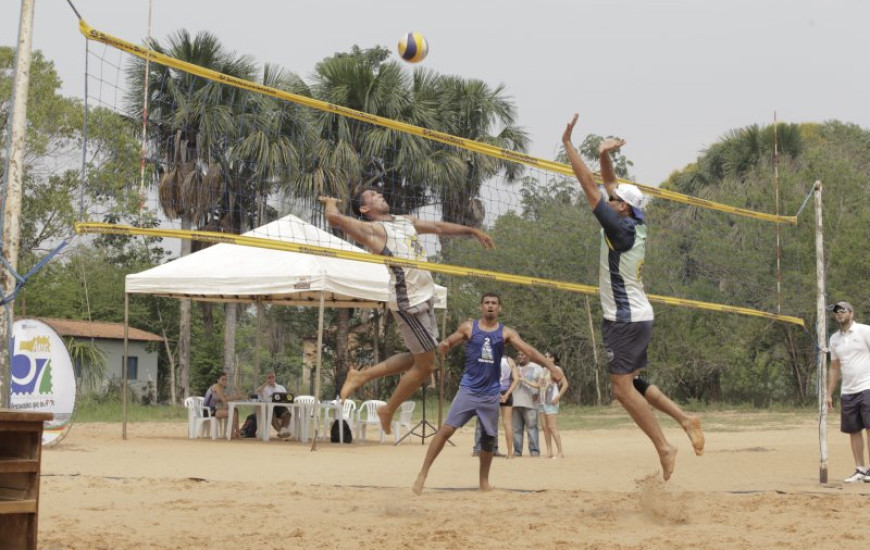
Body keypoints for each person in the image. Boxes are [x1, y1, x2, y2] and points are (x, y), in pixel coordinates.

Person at [562, 113, 704, 480]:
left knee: (622, 391)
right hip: (635, 316)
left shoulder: (620, 228)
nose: (609, 199)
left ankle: (664, 447)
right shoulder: (633, 219)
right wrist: (604, 152)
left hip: (625, 320)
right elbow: (608, 183)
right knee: (635, 383)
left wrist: (569, 146)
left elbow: (589, 185)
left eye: (614, 199)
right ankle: (685, 418)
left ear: (621, 206)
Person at [319, 189, 494, 434]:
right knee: (425, 367)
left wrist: (471, 230)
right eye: (372, 195)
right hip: (409, 301)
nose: (379, 194)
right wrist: (330, 203)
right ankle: (387, 409)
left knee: (420, 358)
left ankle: (361, 377)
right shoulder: (374, 231)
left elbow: (439, 228)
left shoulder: (405, 221)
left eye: (379, 192)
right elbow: (335, 220)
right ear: (364, 209)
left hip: (426, 296)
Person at [412, 293, 562, 495]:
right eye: (487, 303)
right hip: (468, 390)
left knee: (489, 439)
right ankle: (423, 474)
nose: (490, 306)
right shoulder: (469, 327)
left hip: (491, 394)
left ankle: (484, 482)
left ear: (499, 308)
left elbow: (529, 350)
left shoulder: (506, 333)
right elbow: (449, 341)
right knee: (446, 430)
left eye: (494, 303)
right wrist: (444, 346)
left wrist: (550, 366)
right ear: (481, 306)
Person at [824, 301, 870, 483]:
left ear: (851, 313)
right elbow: (834, 367)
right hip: (848, 391)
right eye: (837, 312)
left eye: (843, 311)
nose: (839, 314)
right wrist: (829, 393)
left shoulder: (864, 331)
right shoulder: (834, 339)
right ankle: (859, 468)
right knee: (854, 430)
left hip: (867, 386)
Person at [471, 355, 519, 458]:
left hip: (492, 392)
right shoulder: (510, 360)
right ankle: (510, 453)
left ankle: (482, 449)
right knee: (507, 423)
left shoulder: (489, 359)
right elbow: (516, 379)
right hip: (506, 392)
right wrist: (507, 394)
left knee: (486, 421)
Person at [512, 351, 542, 457]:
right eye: (519, 354)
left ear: (529, 355)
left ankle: (534, 450)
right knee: (516, 429)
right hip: (515, 402)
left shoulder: (537, 368)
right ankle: (517, 451)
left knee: (532, 427)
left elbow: (541, 384)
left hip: (530, 402)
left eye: (523, 354)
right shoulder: (514, 368)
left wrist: (538, 394)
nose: (520, 356)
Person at [539, 352, 569, 459]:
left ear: (552, 359)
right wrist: (523, 379)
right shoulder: (543, 370)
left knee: (552, 427)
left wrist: (558, 397)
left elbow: (565, 384)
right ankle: (549, 452)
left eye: (547, 356)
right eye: (544, 356)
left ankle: (560, 452)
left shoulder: (556, 369)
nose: (545, 358)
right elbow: (539, 385)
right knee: (545, 427)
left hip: (551, 401)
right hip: (542, 401)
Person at [204, 373, 244, 438]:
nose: (224, 381)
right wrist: (235, 397)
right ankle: (233, 434)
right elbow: (224, 399)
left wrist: (237, 396)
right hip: (209, 411)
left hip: (215, 409)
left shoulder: (221, 388)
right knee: (232, 412)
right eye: (223, 379)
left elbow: (226, 400)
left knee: (235, 410)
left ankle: (236, 432)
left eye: (225, 380)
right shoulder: (216, 386)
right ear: (218, 380)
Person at [256, 372, 292, 438]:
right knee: (271, 415)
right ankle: (282, 431)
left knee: (288, 414)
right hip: (269, 407)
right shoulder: (263, 388)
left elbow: (285, 397)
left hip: (280, 406)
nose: (271, 379)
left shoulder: (281, 388)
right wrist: (266, 384)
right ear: (266, 378)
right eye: (269, 377)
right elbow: (256, 393)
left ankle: (282, 431)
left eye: (273, 377)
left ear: (275, 378)